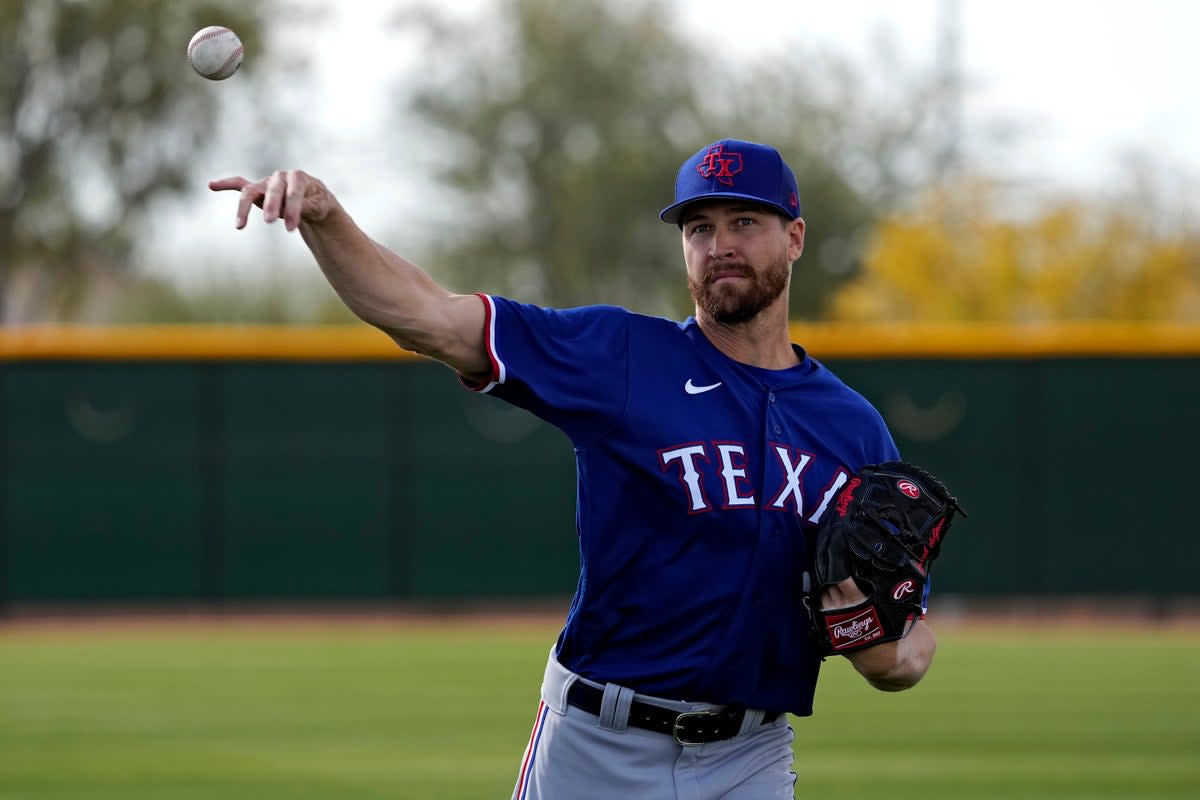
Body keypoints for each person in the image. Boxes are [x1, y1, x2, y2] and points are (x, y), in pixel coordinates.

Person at [211, 138, 937, 800]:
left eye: (744, 222)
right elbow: (428, 317)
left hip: (749, 760)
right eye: (698, 228)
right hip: (598, 749)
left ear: (795, 236)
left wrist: (884, 648)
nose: (719, 245)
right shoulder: (621, 357)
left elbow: (904, 643)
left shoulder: (852, 427)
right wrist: (328, 219)